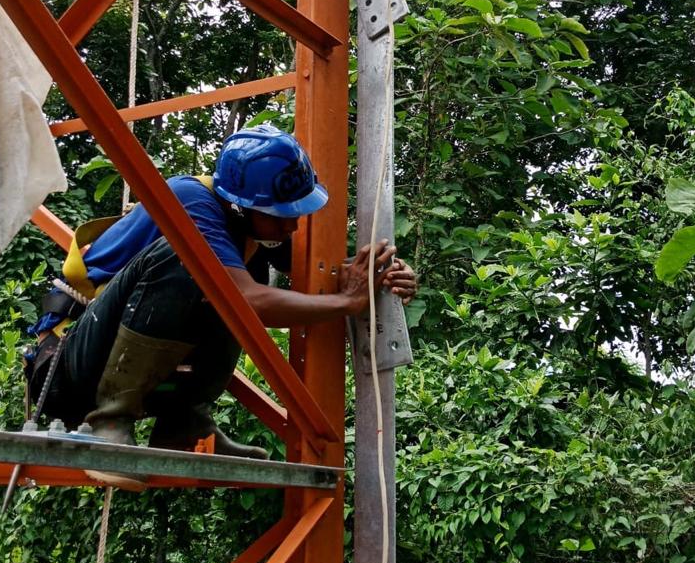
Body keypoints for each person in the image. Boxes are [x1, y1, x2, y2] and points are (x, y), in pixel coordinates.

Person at [25, 124, 415, 479]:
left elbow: (325, 276)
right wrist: (348, 303)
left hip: (122, 366)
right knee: (193, 261)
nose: (291, 226)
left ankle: (183, 425)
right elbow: (249, 301)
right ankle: (107, 425)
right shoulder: (190, 200)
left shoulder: (250, 229)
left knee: (239, 269)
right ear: (238, 205)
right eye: (279, 217)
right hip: (67, 372)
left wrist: (376, 276)